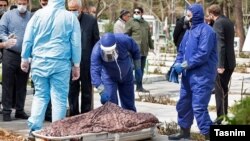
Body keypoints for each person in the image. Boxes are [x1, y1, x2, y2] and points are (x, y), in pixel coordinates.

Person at [20, 0, 81, 133]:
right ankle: (56, 132)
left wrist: (25, 58)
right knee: (59, 98)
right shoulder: (70, 17)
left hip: (39, 62)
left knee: (40, 95)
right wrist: (76, 65)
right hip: (60, 63)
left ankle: (34, 130)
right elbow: (75, 43)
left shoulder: (38, 15)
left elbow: (28, 38)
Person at [168, 4, 217, 140]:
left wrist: (184, 65)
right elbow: (181, 51)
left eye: (189, 15)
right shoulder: (189, 32)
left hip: (202, 76)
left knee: (199, 107)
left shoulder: (207, 31)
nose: (187, 17)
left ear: (196, 16)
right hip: (188, 76)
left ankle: (209, 135)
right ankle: (184, 131)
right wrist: (175, 65)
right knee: (183, 104)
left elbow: (203, 54)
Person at [91, 33, 142, 112]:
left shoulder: (124, 40)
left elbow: (135, 50)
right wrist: (101, 91)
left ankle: (130, 121)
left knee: (129, 104)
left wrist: (138, 67)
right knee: (111, 106)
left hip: (127, 74)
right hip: (109, 77)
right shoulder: (96, 51)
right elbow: (94, 72)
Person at [0, 0, 32, 121]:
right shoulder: (8, 15)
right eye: (20, 2)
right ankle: (7, 111)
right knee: (8, 83)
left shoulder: (31, 17)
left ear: (28, 3)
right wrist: (6, 38)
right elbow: (1, 31)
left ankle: (20, 110)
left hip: (25, 55)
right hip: (10, 53)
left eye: (24, 3)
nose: (22, 5)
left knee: (22, 84)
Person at [67, 0, 99, 116]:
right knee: (72, 90)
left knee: (86, 91)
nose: (72, 12)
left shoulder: (91, 21)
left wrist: (96, 62)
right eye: (69, 10)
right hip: (70, 62)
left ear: (80, 9)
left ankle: (86, 115)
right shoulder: (65, 20)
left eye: (74, 10)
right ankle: (73, 114)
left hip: (86, 62)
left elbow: (96, 42)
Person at [208, 4, 236, 125]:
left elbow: (220, 45)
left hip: (223, 64)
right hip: (230, 62)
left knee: (219, 91)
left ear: (211, 14)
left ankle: (220, 119)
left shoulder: (218, 23)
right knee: (223, 90)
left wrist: (220, 65)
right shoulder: (227, 21)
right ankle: (224, 115)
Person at [125, 7, 153, 92]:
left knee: (141, 69)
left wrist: (152, 47)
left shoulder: (146, 24)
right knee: (137, 69)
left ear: (142, 13)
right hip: (135, 51)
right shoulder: (130, 22)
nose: (136, 13)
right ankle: (133, 86)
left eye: (138, 12)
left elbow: (149, 36)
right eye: (135, 12)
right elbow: (126, 35)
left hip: (144, 50)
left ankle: (139, 86)